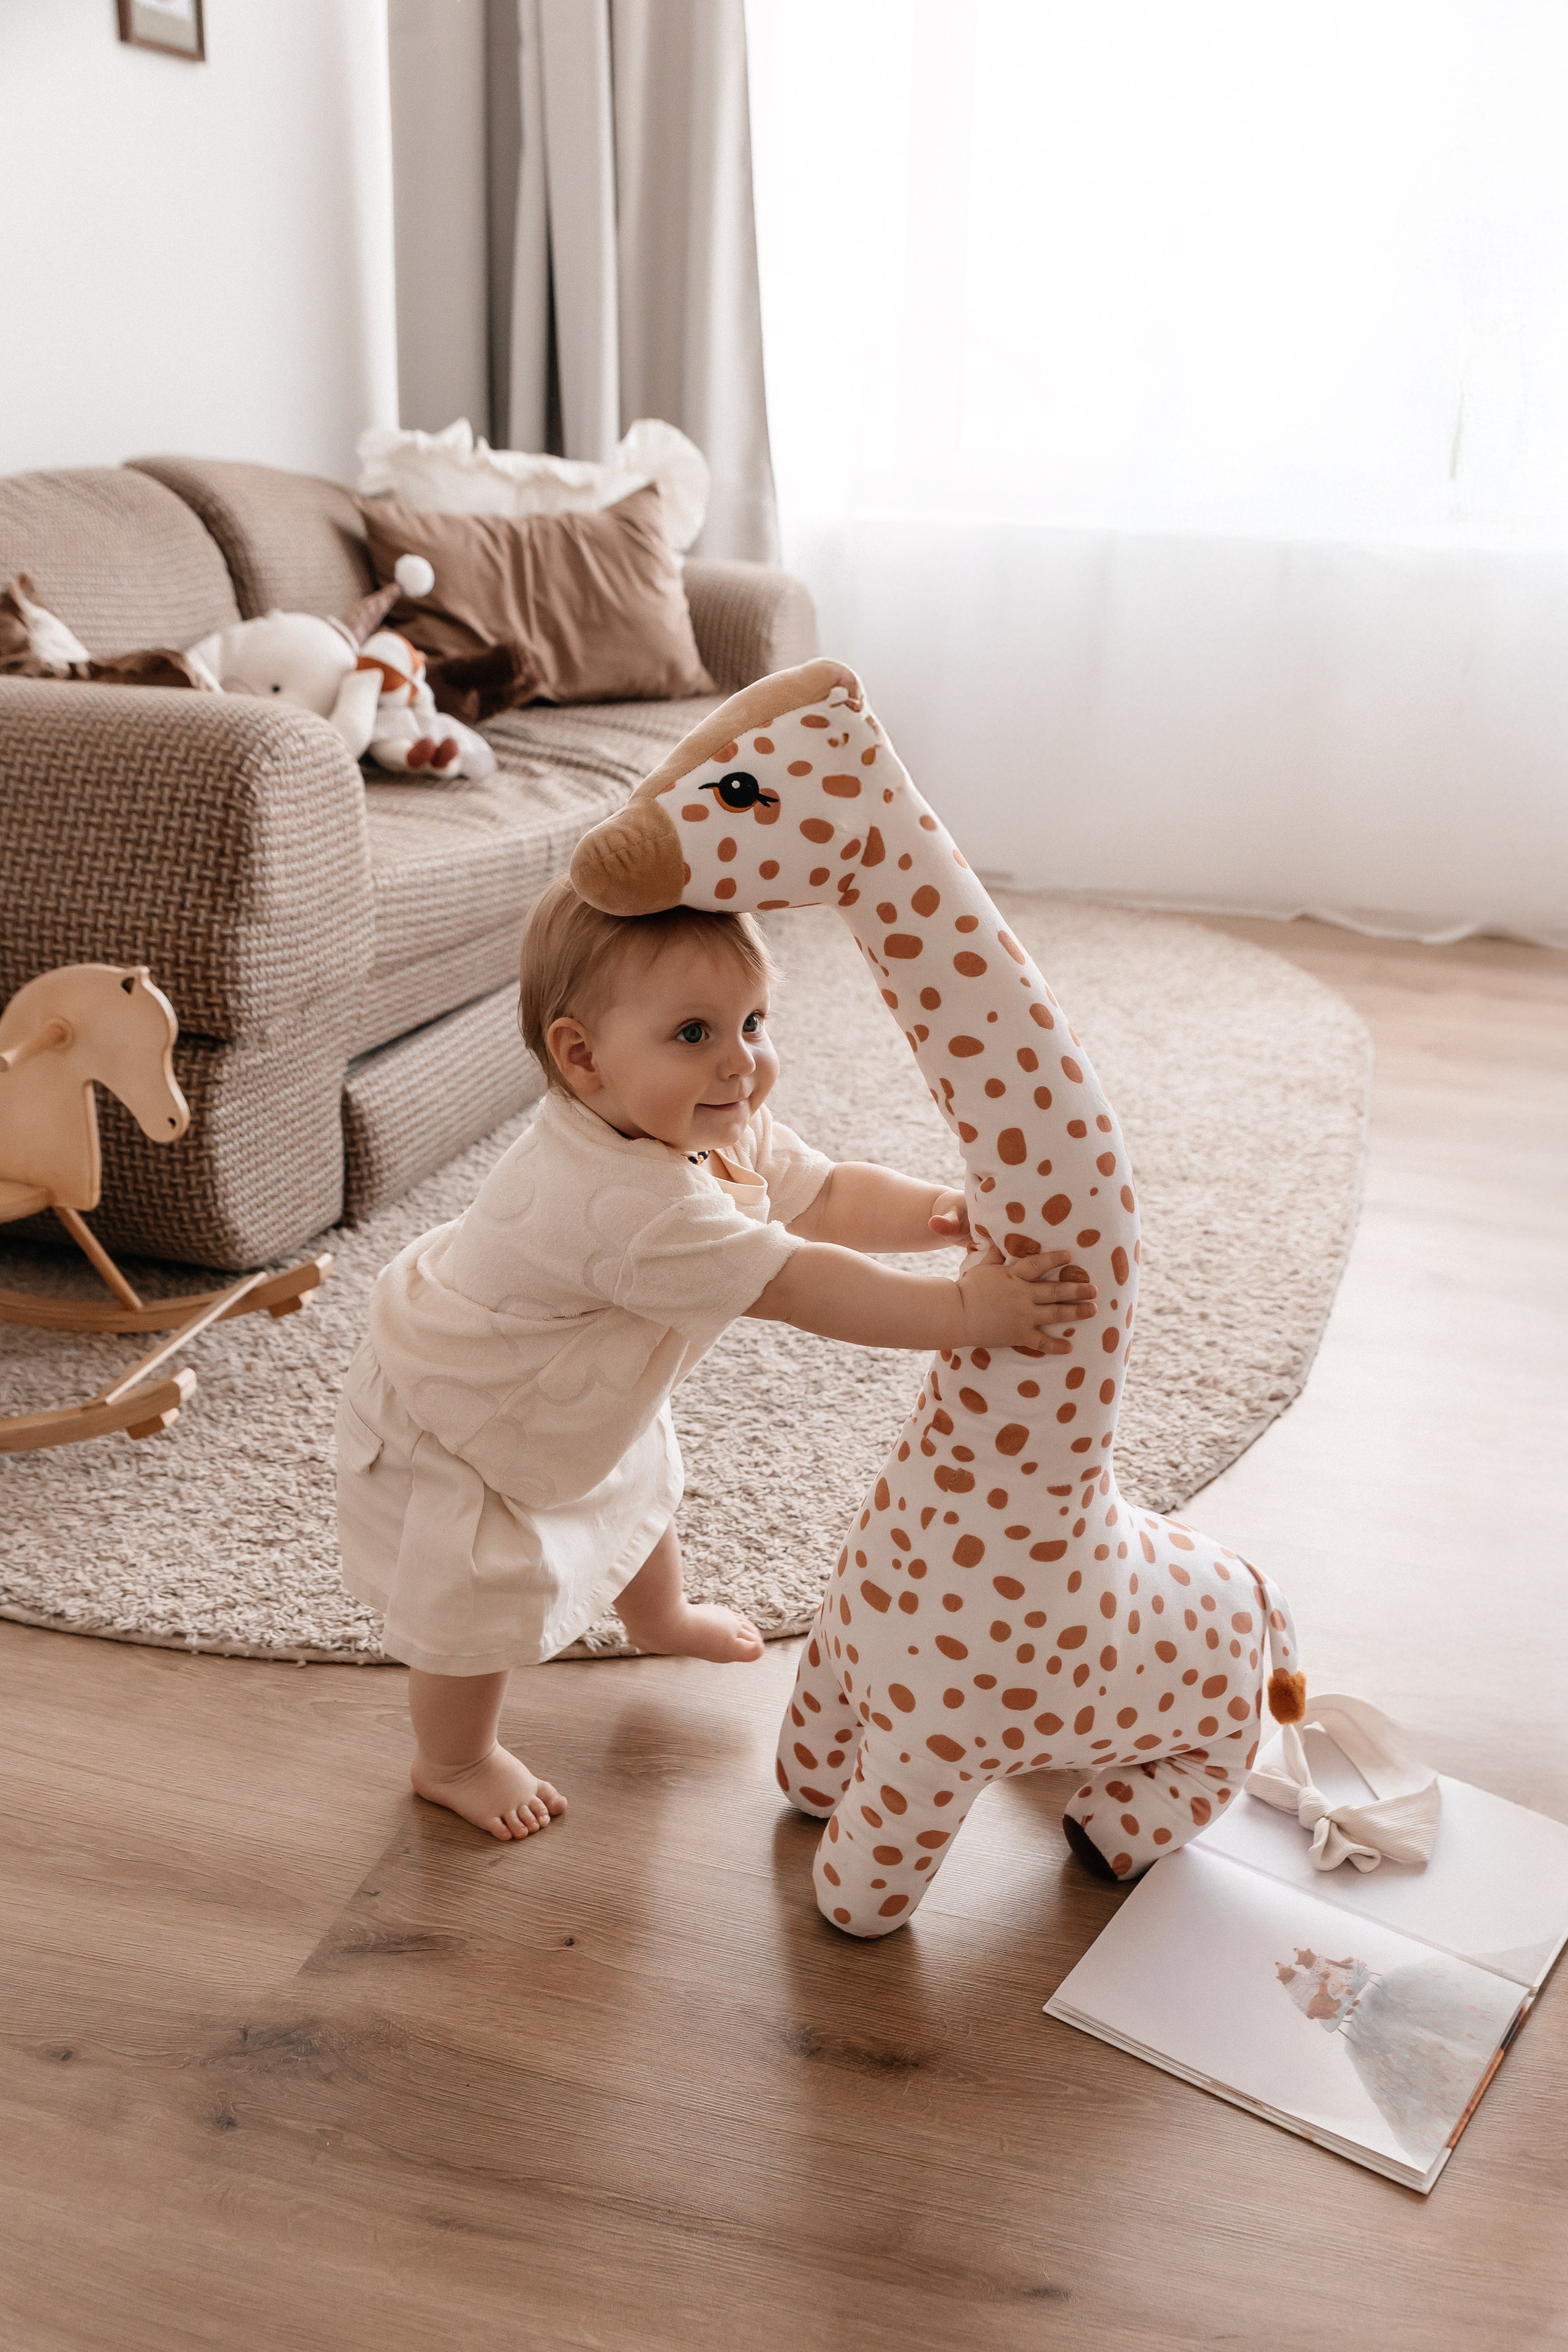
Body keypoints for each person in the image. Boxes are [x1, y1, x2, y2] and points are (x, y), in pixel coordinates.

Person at [336, 876, 1099, 1841]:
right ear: (583, 1058)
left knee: (632, 1468)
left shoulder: (699, 1120)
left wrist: (940, 1213)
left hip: (571, 1376)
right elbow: (800, 1281)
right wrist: (963, 1311)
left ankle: (659, 1616)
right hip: (467, 1415)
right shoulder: (627, 1207)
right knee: (475, 1596)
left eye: (754, 1022)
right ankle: (453, 1759)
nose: (742, 1063)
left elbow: (822, 1198)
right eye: (695, 1034)